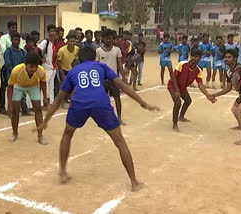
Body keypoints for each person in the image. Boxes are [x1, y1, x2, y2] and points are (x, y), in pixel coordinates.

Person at [37, 47, 160, 192]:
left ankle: (63, 172)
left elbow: (58, 100)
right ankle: (134, 182)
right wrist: (143, 103)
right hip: (100, 103)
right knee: (119, 141)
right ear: (95, 57)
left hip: (79, 104)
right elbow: (122, 86)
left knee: (67, 134)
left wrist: (45, 122)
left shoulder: (72, 72)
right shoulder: (102, 66)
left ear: (78, 59)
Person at [167, 49, 215, 132]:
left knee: (188, 100)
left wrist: (207, 95)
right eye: (192, 56)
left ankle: (181, 116)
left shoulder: (198, 70)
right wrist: (177, 90)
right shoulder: (182, 64)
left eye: (196, 57)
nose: (193, 58)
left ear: (199, 58)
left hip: (182, 88)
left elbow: (200, 84)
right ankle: (175, 124)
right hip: (173, 86)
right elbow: (173, 76)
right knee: (178, 103)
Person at [7, 52, 48, 144]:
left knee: (38, 108)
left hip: (33, 86)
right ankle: (15, 133)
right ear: (25, 65)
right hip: (18, 86)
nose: (33, 69)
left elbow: (43, 82)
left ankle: (40, 135)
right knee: (15, 110)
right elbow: (10, 87)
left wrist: (45, 97)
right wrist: (9, 105)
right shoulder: (16, 70)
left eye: (35, 67)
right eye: (31, 67)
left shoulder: (41, 70)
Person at [96, 29, 125, 124]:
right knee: (102, 100)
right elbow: (96, 65)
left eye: (110, 38)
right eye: (107, 38)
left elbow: (120, 65)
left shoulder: (117, 50)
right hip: (102, 79)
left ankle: (119, 118)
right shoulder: (98, 51)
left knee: (117, 98)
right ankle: (102, 118)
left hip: (114, 79)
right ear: (102, 39)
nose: (109, 40)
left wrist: (123, 77)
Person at [0, 21, 27, 115]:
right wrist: (12, 73)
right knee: (7, 89)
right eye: (12, 27)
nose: (14, 28)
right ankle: (5, 108)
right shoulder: (6, 45)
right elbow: (7, 62)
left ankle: (22, 108)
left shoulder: (22, 52)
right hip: (9, 72)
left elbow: (24, 62)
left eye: (15, 27)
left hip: (20, 74)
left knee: (20, 91)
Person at [38, 24, 57, 104]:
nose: (53, 33)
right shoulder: (46, 42)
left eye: (54, 31)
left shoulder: (53, 43)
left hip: (53, 67)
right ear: (48, 32)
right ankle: (42, 102)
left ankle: (52, 102)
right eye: (51, 31)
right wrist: (41, 59)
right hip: (47, 67)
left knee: (51, 86)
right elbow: (38, 49)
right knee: (44, 85)